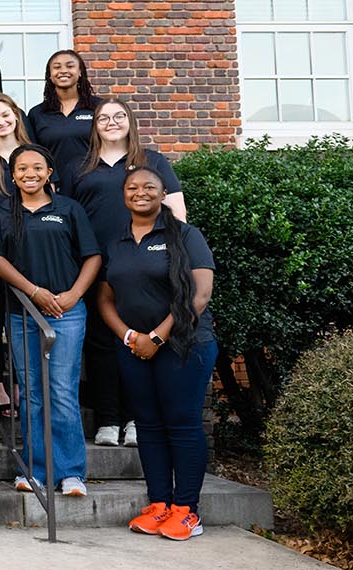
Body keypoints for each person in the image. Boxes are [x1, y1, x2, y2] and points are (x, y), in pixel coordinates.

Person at [98, 166, 217, 542]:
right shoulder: (116, 241)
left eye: (149, 186)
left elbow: (199, 294)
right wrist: (129, 336)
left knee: (181, 424)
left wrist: (157, 337)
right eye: (132, 187)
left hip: (185, 345)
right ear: (124, 195)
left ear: (163, 192)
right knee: (148, 426)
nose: (140, 192)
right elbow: (105, 298)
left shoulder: (185, 235)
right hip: (134, 348)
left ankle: (187, 510)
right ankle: (159, 504)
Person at [62, 98, 187, 447]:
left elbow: (177, 215)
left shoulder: (153, 161)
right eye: (104, 117)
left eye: (119, 116)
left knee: (138, 338)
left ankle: (136, 419)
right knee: (101, 342)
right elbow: (66, 215)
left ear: (130, 122)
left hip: (142, 264)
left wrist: (171, 257)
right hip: (94, 263)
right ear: (94, 125)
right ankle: (107, 419)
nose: (111, 122)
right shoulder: (78, 166)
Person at [0, 144, 100, 496]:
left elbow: (92, 257)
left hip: (66, 312)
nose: (29, 174)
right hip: (22, 313)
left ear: (50, 172)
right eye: (21, 168)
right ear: (13, 174)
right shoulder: (3, 211)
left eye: (37, 167)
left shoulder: (68, 209)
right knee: (32, 394)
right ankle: (34, 469)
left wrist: (73, 295)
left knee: (62, 391)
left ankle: (70, 472)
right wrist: (34, 292)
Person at [27, 50, 100, 177]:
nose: (63, 71)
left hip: (93, 182)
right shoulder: (37, 113)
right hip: (55, 185)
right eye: (57, 67)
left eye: (70, 66)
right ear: (50, 75)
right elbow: (34, 154)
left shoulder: (98, 107)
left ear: (80, 72)